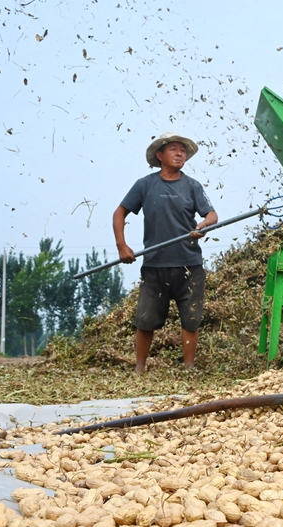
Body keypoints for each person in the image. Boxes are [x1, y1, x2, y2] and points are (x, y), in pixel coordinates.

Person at [113, 132, 218, 373]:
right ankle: (139, 369)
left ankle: (189, 368)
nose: (180, 153)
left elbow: (211, 215)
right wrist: (122, 245)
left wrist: (203, 226)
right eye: (173, 149)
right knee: (146, 320)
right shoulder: (145, 185)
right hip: (155, 265)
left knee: (191, 319)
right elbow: (119, 212)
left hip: (188, 264)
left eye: (183, 150)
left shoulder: (192, 186)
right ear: (160, 155)